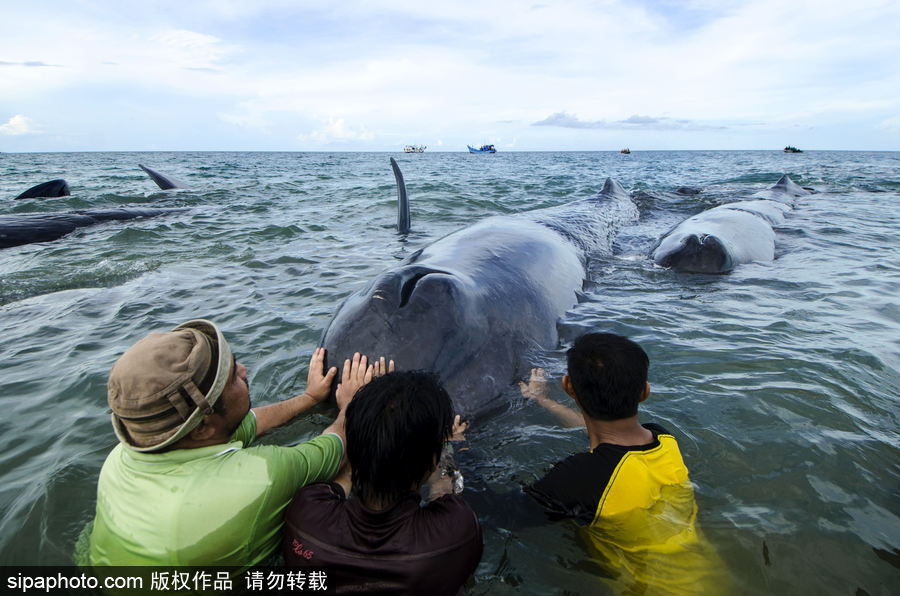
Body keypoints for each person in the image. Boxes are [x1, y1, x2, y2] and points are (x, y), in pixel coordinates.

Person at [86, 318, 383, 569]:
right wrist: (353, 405)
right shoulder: (261, 477)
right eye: (231, 379)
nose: (243, 371)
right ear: (202, 426)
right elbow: (334, 450)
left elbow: (244, 424)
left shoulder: (120, 457)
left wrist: (309, 399)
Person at [522, 332, 727, 594]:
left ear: (568, 386)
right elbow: (603, 432)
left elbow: (498, 515)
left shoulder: (580, 478)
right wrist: (543, 401)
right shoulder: (665, 440)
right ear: (645, 391)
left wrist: (457, 445)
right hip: (711, 578)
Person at [282, 371, 483, 595]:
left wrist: (351, 416)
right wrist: (447, 450)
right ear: (431, 462)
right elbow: (445, 495)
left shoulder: (304, 515)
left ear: (352, 448)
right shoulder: (455, 532)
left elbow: (344, 478)